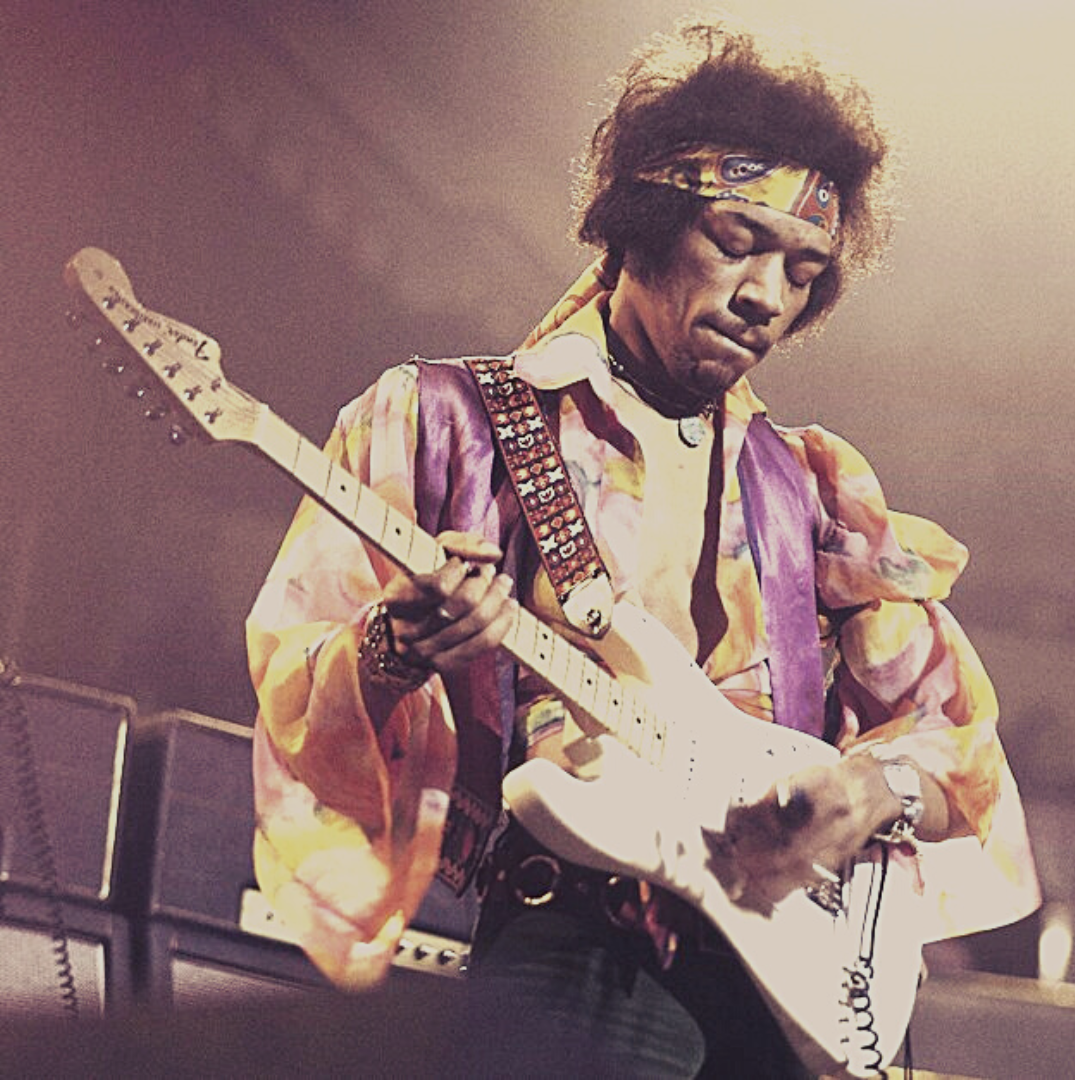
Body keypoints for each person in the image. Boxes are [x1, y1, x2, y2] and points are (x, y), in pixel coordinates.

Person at [246, 17, 1039, 1077]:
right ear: (643, 218)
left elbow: (958, 745)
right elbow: (296, 693)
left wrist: (869, 791)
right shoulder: (443, 421)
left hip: (794, 977)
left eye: (803, 269)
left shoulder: (817, 490)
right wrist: (397, 646)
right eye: (737, 241)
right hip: (577, 953)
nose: (766, 296)